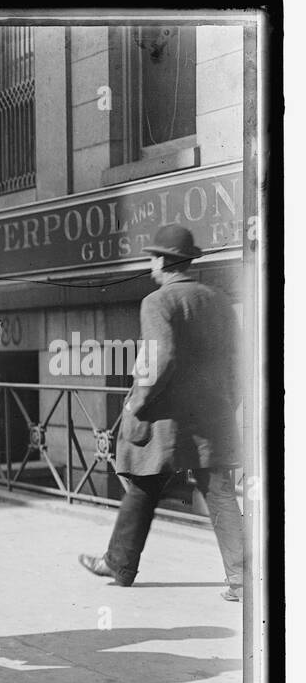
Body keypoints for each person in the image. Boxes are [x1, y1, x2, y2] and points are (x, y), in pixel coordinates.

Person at [78, 224, 244, 600]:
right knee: (218, 493)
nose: (151, 265)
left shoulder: (158, 301)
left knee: (142, 484)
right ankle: (242, 578)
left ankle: (119, 564)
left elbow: (159, 358)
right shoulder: (218, 300)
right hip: (211, 417)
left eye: (153, 257)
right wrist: (228, 404)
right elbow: (237, 362)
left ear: (165, 261)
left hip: (167, 420)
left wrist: (137, 402)